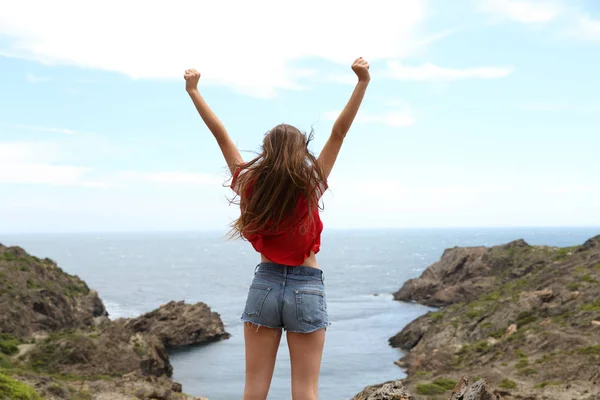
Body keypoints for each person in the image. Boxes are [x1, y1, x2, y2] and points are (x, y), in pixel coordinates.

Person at [184, 57, 370, 400]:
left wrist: (193, 91)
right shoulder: (310, 182)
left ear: (266, 151)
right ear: (302, 152)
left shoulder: (251, 182)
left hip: (265, 284)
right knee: (305, 388)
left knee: (254, 388)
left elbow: (219, 133)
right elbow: (339, 132)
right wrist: (362, 82)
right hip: (306, 286)